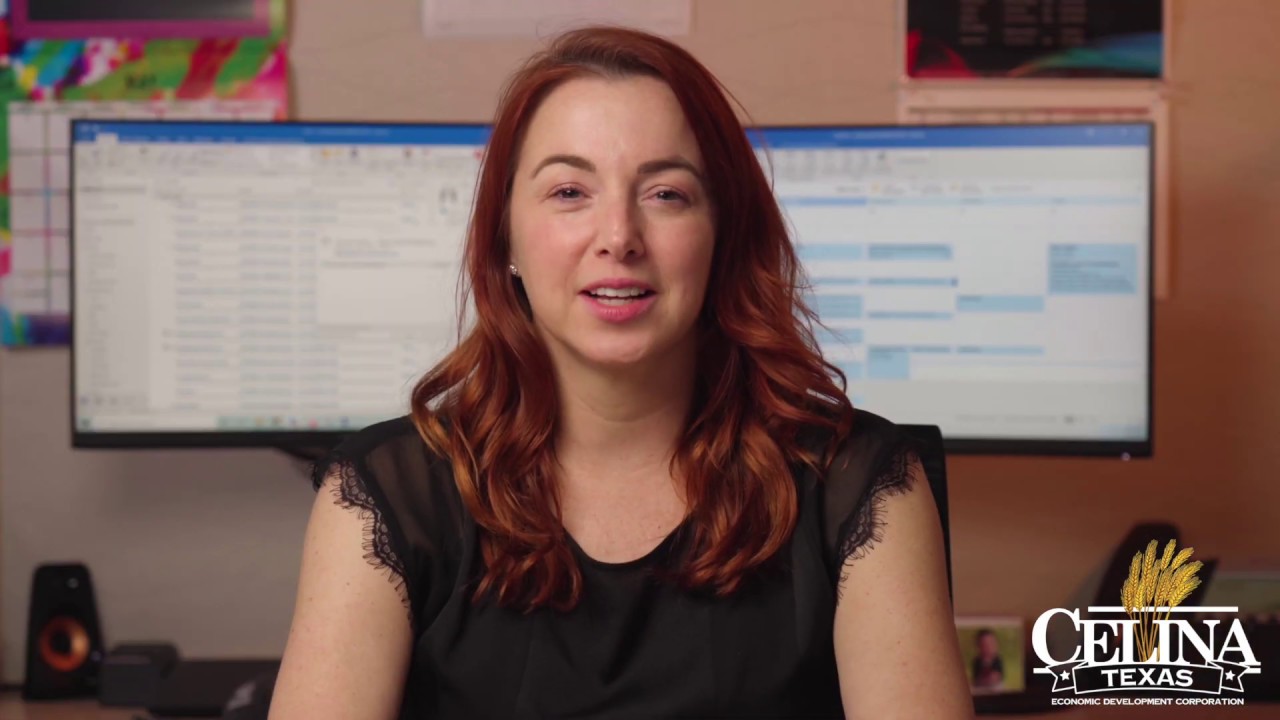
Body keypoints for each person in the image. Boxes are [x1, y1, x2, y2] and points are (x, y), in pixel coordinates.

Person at [268, 25, 972, 720]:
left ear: (723, 236)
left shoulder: (855, 487)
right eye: (569, 192)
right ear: (504, 238)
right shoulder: (386, 498)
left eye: (665, 194)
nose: (618, 238)